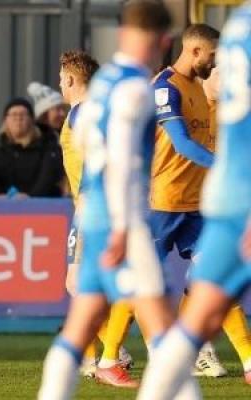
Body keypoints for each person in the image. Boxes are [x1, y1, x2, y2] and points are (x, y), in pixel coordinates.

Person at [37, 2, 203, 399]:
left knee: (77, 333)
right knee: (164, 331)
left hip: (92, 213)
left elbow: (83, 145)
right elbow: (123, 162)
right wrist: (124, 229)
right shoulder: (135, 90)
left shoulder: (106, 81)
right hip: (120, 220)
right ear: (165, 40)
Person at [139, 6, 251, 397]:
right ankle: (124, 353)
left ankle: (237, 357)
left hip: (197, 204)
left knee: (212, 278)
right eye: (212, 55)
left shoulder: (201, 92)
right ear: (195, 51)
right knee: (146, 284)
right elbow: (183, 145)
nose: (216, 62)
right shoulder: (164, 87)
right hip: (161, 201)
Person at [57, 50, 137, 385]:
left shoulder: (81, 113)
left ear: (72, 79)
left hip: (91, 208)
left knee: (79, 284)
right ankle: (103, 353)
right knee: (95, 284)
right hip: (104, 206)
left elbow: (96, 160)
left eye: (61, 79)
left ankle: (105, 354)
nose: (60, 84)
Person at [0, 98, 64, 198]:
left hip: (42, 206)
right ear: (5, 120)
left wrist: (30, 196)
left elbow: (48, 176)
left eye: (23, 114)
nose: (18, 118)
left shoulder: (47, 144)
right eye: (13, 114)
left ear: (31, 119)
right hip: (3, 206)